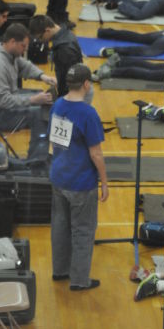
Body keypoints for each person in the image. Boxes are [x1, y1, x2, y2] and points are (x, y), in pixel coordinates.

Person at [49, 64, 108, 291]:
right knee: (83, 230)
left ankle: (60, 270)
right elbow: (96, 153)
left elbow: (57, 143)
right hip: (80, 183)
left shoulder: (57, 105)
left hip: (59, 176)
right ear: (86, 84)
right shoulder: (88, 113)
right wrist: (104, 181)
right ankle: (80, 280)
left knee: (60, 226)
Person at [0, 23, 56, 160]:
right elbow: (3, 101)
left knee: (41, 97)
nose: (24, 50)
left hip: (3, 104)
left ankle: (39, 153)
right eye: (23, 46)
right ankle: (37, 161)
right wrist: (32, 100)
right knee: (40, 114)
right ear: (12, 42)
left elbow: (23, 65)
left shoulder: (8, 54)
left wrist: (43, 76)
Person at [28, 14, 93, 103]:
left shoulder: (64, 50)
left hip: (78, 93)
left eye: (40, 37)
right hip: (80, 87)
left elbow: (72, 80)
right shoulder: (65, 32)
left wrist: (63, 100)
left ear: (47, 30)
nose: (41, 41)